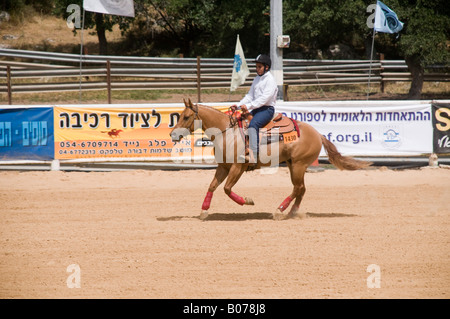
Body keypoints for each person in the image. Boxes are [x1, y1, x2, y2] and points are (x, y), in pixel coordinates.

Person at [231, 54, 278, 164]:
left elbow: (264, 99)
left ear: (266, 67)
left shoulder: (270, 80)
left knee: (253, 125)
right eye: (256, 67)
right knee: (241, 122)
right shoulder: (257, 79)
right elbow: (250, 96)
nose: (257, 69)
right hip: (257, 109)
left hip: (267, 110)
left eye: (259, 67)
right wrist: (239, 105)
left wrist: (248, 106)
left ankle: (254, 156)